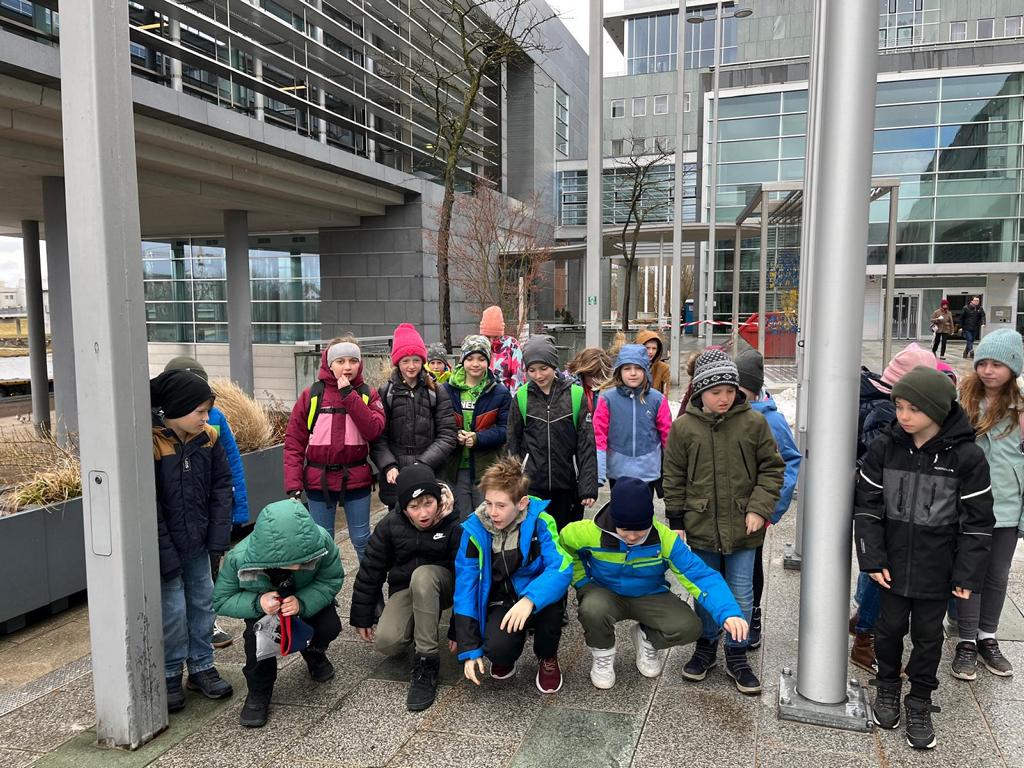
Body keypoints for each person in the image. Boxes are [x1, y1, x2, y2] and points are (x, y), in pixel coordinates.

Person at [854, 365, 993, 750]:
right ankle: (887, 687)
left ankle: (919, 700)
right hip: (892, 566)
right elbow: (867, 506)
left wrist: (966, 574)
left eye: (913, 408)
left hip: (938, 569)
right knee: (888, 630)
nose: (903, 415)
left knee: (929, 638)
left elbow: (978, 522)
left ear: (937, 409)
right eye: (899, 406)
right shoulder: (886, 447)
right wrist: (872, 558)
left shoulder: (967, 457)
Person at [663, 348, 784, 695]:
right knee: (705, 589)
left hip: (744, 527)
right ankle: (706, 645)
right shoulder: (684, 428)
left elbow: (772, 469)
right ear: (701, 391)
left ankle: (737, 652)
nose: (724, 398)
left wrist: (759, 508)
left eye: (730, 391)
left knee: (742, 590)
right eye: (716, 392)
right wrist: (677, 518)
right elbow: (673, 475)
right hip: (701, 525)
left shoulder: (753, 423)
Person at [559, 477, 747, 690]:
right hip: (605, 592)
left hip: (650, 594)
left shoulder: (665, 540)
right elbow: (564, 547)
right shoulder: (585, 532)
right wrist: (583, 583)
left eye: (639, 530)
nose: (631, 537)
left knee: (690, 627)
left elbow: (701, 576)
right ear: (613, 519)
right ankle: (602, 655)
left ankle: (646, 638)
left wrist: (728, 612)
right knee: (591, 608)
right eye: (624, 530)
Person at [213, 498, 344, 727]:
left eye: (306, 559)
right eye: (296, 562)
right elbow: (221, 599)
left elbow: (331, 579)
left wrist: (302, 602)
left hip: (303, 599)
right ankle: (259, 690)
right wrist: (258, 602)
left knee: (329, 625)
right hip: (263, 611)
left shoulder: (321, 541)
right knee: (257, 646)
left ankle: (313, 652)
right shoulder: (239, 558)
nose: (302, 565)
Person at [149, 369, 234, 713]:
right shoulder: (151, 444)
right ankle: (170, 673)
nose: (206, 418)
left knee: (203, 603)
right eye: (200, 411)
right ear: (176, 408)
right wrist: (164, 551)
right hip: (166, 545)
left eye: (207, 411)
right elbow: (150, 505)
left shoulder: (208, 438)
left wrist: (217, 539)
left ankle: (201, 665)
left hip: (198, 543)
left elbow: (222, 487)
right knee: (172, 611)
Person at [849, 342, 937, 672]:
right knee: (883, 569)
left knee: (875, 564)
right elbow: (883, 457)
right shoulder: (887, 411)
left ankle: (862, 619)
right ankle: (865, 639)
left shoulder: (873, 395)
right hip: (884, 500)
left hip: (878, 498)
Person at [452, 457, 572, 694]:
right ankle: (507, 653)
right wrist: (470, 649)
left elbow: (561, 567)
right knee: (497, 650)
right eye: (488, 503)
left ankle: (547, 656)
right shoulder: (474, 530)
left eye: (501, 505)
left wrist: (530, 600)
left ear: (522, 503)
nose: (492, 512)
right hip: (502, 599)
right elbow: (465, 587)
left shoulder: (541, 522)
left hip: (535, 596)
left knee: (553, 605)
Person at [350, 464, 461, 711]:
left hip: (445, 585)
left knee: (423, 576)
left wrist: (460, 627)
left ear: (438, 499)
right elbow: (371, 570)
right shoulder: (390, 524)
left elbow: (468, 577)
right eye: (414, 507)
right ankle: (416, 625)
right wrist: (362, 615)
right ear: (403, 507)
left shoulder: (455, 523)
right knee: (387, 642)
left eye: (428, 503)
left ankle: (426, 662)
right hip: (406, 587)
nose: (423, 513)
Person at [951, 328, 1024, 682]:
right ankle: (966, 640)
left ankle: (987, 637)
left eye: (997, 364)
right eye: (983, 363)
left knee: (997, 575)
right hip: (968, 504)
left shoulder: (1020, 409)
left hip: (1008, 505)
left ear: (1013, 368)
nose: (988, 371)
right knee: (970, 572)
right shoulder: (962, 401)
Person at [163, 356, 250, 649]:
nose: (202, 414)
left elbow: (230, 468)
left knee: (206, 578)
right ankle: (178, 645)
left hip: (205, 519)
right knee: (174, 591)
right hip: (174, 525)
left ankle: (207, 627)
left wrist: (238, 510)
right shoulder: (157, 432)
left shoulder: (215, 420)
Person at [284, 337, 385, 560]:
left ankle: (370, 582)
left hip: (356, 477)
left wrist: (349, 395)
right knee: (322, 542)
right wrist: (293, 485)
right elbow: (294, 442)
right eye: (340, 361)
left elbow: (374, 431)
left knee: (362, 539)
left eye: (353, 361)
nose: (347, 367)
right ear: (330, 364)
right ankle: (327, 584)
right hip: (318, 480)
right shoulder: (312, 395)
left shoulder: (368, 394)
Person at [734, 349, 801, 651]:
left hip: (755, 510)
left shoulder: (772, 421)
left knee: (751, 567)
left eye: (741, 391)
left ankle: (753, 615)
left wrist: (770, 509)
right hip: (724, 508)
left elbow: (789, 463)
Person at [506, 334, 598, 530]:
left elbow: (586, 444)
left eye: (543, 368)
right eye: (532, 370)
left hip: (567, 486)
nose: (538, 375)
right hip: (532, 487)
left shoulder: (575, 395)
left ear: (554, 365)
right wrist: (512, 486)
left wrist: (588, 487)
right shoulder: (521, 397)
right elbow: (512, 444)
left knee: (566, 538)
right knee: (535, 538)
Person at [371, 323, 458, 509]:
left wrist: (424, 463)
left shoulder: (436, 391)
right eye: (405, 361)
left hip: (431, 469)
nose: (411, 366)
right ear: (397, 362)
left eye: (416, 360)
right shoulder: (386, 392)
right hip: (396, 475)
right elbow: (379, 437)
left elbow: (447, 435)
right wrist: (388, 465)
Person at [442, 335, 511, 514]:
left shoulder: (500, 392)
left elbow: (505, 430)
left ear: (488, 361)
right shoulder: (446, 390)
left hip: (487, 469)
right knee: (462, 519)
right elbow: (440, 424)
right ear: (462, 360)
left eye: (481, 359)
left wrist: (478, 438)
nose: (475, 364)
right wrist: (455, 435)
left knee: (488, 517)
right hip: (455, 469)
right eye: (470, 358)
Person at [593, 344, 672, 493]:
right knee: (619, 505)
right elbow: (599, 436)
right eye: (627, 368)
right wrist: (599, 472)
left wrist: (670, 471)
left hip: (648, 471)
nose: (633, 373)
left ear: (645, 370)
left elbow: (667, 436)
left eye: (638, 368)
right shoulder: (607, 400)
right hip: (618, 471)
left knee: (645, 505)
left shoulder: (657, 400)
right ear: (619, 371)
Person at [479, 305, 525, 391]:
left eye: (496, 337)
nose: (491, 341)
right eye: (487, 337)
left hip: (505, 396)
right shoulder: (476, 345)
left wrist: (513, 398)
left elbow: (518, 377)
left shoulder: (512, 345)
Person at [566, 346, 612, 416]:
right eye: (591, 375)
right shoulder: (568, 387)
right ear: (582, 373)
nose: (596, 381)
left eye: (599, 376)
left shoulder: (610, 388)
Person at [634, 330, 671, 395]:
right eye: (647, 348)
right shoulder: (631, 366)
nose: (651, 352)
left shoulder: (663, 368)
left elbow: (665, 393)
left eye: (654, 348)